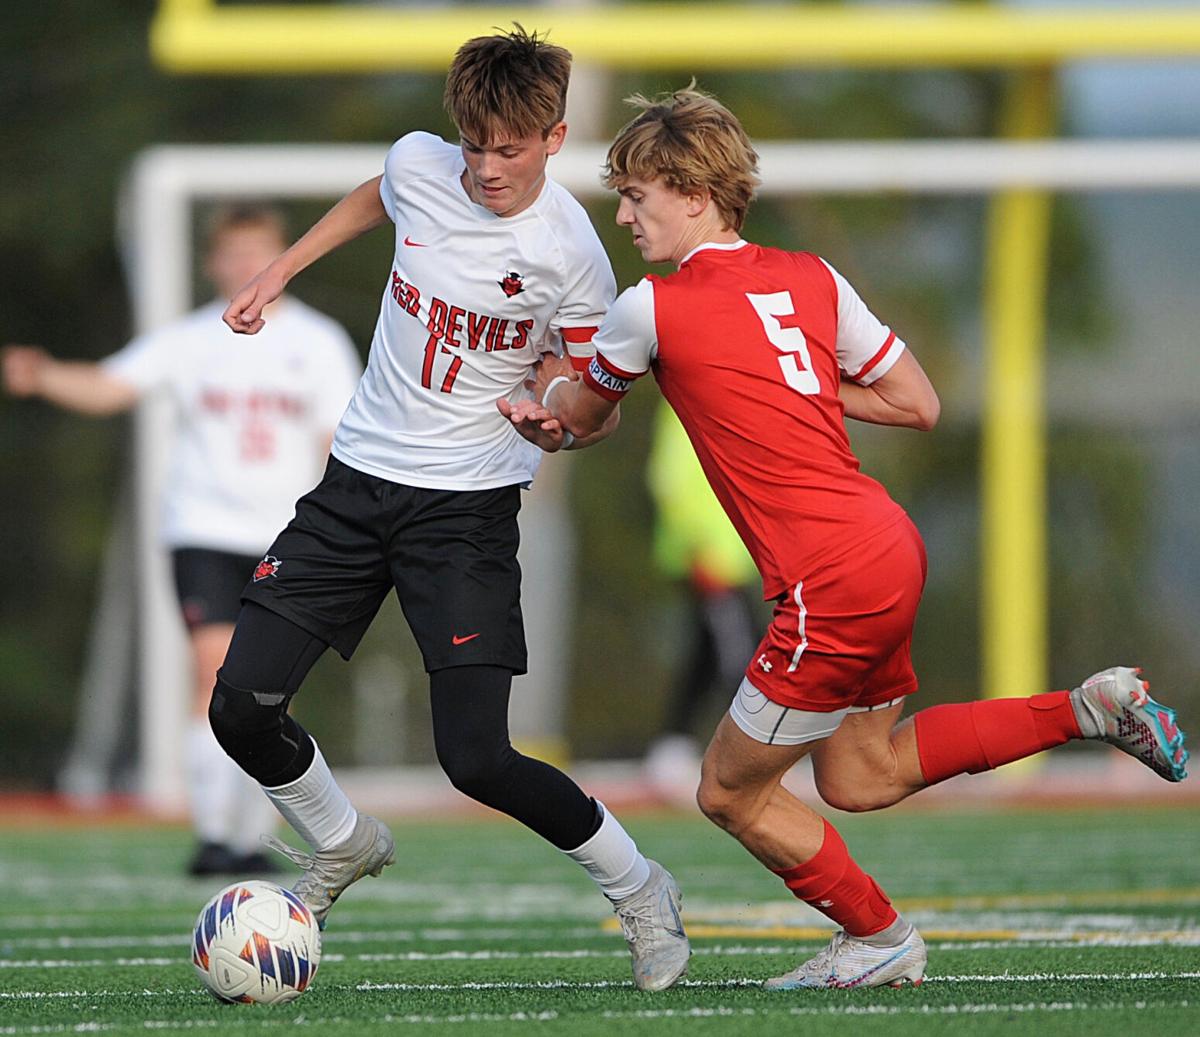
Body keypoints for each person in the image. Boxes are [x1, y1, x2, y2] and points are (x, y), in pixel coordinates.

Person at [501, 86, 1190, 990]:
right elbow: (919, 402)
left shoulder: (648, 308)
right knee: (862, 775)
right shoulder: (814, 276)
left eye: (638, 195)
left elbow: (583, 419)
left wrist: (539, 394)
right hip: (885, 546)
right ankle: (1087, 709)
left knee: (727, 790)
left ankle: (879, 936)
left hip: (827, 576)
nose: (625, 215)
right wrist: (796, 391)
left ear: (696, 194)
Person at [213, 26, 690, 993]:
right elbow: (375, 195)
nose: (484, 165)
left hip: (464, 513)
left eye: (508, 148)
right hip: (353, 487)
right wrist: (281, 270)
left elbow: (590, 396)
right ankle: (343, 842)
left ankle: (642, 887)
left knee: (475, 757)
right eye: (471, 143)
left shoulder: (572, 255)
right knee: (239, 708)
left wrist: (557, 424)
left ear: (554, 137)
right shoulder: (418, 166)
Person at [2, 204, 363, 876]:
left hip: (289, 535)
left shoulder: (317, 342)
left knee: (269, 691)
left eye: (259, 250)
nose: (245, 265)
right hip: (204, 531)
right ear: (212, 262)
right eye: (232, 253)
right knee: (211, 672)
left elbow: (337, 439)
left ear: (284, 255)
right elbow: (113, 385)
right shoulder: (193, 338)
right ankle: (212, 835)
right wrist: (43, 374)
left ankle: (250, 837)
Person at [643, 402, 760, 800]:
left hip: (729, 556)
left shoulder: (723, 402)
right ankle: (756, 757)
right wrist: (696, 546)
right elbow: (671, 479)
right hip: (709, 556)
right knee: (742, 656)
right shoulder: (686, 402)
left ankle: (670, 749)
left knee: (708, 655)